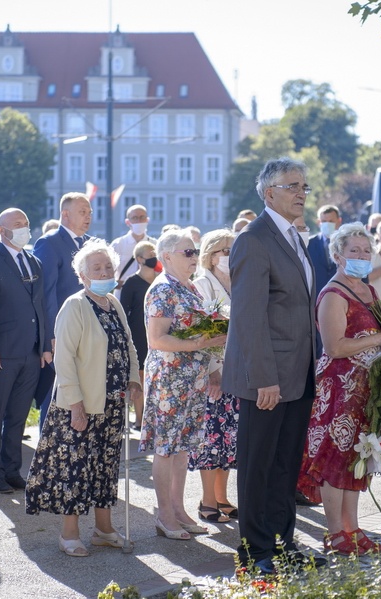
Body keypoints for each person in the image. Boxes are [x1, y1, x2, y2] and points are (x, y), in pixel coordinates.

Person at [222, 158, 324, 574]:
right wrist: (264, 377)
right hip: (266, 379)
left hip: (297, 375)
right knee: (258, 467)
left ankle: (283, 544)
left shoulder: (295, 237)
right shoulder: (254, 239)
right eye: (293, 185)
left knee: (285, 466)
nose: (302, 192)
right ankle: (255, 552)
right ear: (270, 194)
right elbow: (249, 317)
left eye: (305, 185)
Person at [26, 240, 142, 557]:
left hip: (113, 403)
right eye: (97, 268)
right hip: (81, 404)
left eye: (108, 266)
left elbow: (128, 345)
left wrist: (133, 379)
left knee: (105, 467)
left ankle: (104, 530)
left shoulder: (113, 304)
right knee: (75, 469)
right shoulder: (75, 306)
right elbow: (63, 361)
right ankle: (70, 534)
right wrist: (76, 405)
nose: (104, 271)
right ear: (82, 274)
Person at [298, 223, 381, 554]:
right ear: (338, 255)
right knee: (333, 459)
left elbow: (379, 335)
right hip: (338, 389)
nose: (361, 256)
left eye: (366, 250)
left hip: (366, 388)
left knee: (359, 458)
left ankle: (352, 529)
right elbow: (335, 347)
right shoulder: (333, 294)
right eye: (354, 250)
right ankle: (335, 534)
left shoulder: (369, 290)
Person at [140, 230, 226, 541]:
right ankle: (165, 514)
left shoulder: (189, 288)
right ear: (166, 257)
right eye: (187, 252)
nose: (194, 257)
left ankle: (178, 509)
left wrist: (214, 348)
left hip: (193, 379)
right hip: (170, 381)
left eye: (195, 251)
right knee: (167, 449)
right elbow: (157, 339)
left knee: (183, 449)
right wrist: (203, 342)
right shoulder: (163, 290)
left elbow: (198, 334)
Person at [0, 208, 51, 494]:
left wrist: (44, 347)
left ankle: (11, 469)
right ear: (2, 230)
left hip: (30, 353)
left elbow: (40, 307)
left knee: (17, 417)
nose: (24, 228)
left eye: (27, 223)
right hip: (2, 354)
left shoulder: (34, 261)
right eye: (18, 224)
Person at [188, 229, 239, 524]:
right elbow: (201, 331)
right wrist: (213, 374)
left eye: (233, 250)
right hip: (214, 372)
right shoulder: (202, 285)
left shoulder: (238, 282)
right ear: (210, 255)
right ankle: (207, 500)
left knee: (229, 439)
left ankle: (222, 497)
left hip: (237, 370)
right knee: (211, 439)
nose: (230, 256)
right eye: (225, 250)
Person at [33, 192, 93, 428]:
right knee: (55, 398)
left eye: (89, 212)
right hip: (60, 334)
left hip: (86, 332)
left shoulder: (89, 244)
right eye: (82, 212)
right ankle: (47, 454)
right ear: (65, 214)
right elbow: (45, 294)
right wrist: (50, 337)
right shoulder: (49, 243)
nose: (88, 216)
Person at [118, 240, 158, 429]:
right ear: (139, 259)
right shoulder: (132, 283)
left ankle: (153, 417)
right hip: (138, 335)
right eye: (150, 254)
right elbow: (123, 313)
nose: (154, 257)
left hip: (157, 333)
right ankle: (140, 418)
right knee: (140, 376)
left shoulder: (160, 280)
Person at [111, 204, 156, 293]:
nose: (139, 221)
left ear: (147, 220)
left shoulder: (155, 244)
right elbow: (108, 271)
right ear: (128, 222)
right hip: (123, 292)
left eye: (142, 217)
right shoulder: (118, 244)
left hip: (148, 292)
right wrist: (118, 283)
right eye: (134, 218)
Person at [307, 204, 342, 295]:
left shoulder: (347, 244)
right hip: (316, 299)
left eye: (331, 221)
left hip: (341, 297)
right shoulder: (309, 244)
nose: (327, 224)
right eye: (324, 221)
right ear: (319, 222)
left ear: (339, 221)